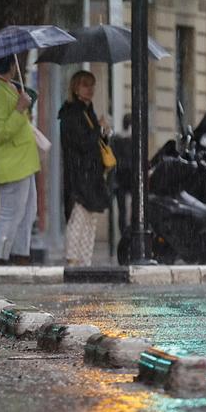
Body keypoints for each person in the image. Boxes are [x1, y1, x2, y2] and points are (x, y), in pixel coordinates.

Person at [0, 55, 40, 265]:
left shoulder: (10, 87)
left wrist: (24, 111)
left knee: (28, 212)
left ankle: (21, 255)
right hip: (12, 162)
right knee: (11, 212)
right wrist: (19, 109)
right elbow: (0, 131)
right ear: (11, 65)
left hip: (23, 161)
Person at [59, 70, 111, 267]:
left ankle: (84, 260)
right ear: (75, 87)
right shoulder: (71, 113)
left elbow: (95, 144)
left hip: (92, 175)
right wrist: (97, 128)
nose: (90, 89)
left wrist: (104, 133)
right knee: (78, 218)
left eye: (92, 85)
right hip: (79, 176)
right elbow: (82, 143)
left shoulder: (88, 111)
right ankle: (72, 259)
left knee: (90, 220)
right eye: (85, 85)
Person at [110, 114, 134, 234]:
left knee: (122, 210)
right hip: (130, 177)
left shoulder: (116, 139)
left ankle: (124, 232)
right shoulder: (132, 140)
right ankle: (129, 232)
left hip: (120, 178)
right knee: (133, 208)